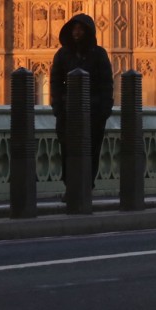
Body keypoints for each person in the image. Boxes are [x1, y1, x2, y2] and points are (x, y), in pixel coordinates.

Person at [49, 13, 114, 184]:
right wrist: (58, 108)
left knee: (91, 151)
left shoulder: (99, 55)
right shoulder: (62, 55)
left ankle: (86, 185)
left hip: (93, 113)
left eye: (80, 30)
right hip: (68, 113)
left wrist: (104, 111)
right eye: (74, 29)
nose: (76, 33)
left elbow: (106, 84)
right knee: (68, 151)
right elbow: (55, 82)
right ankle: (71, 186)